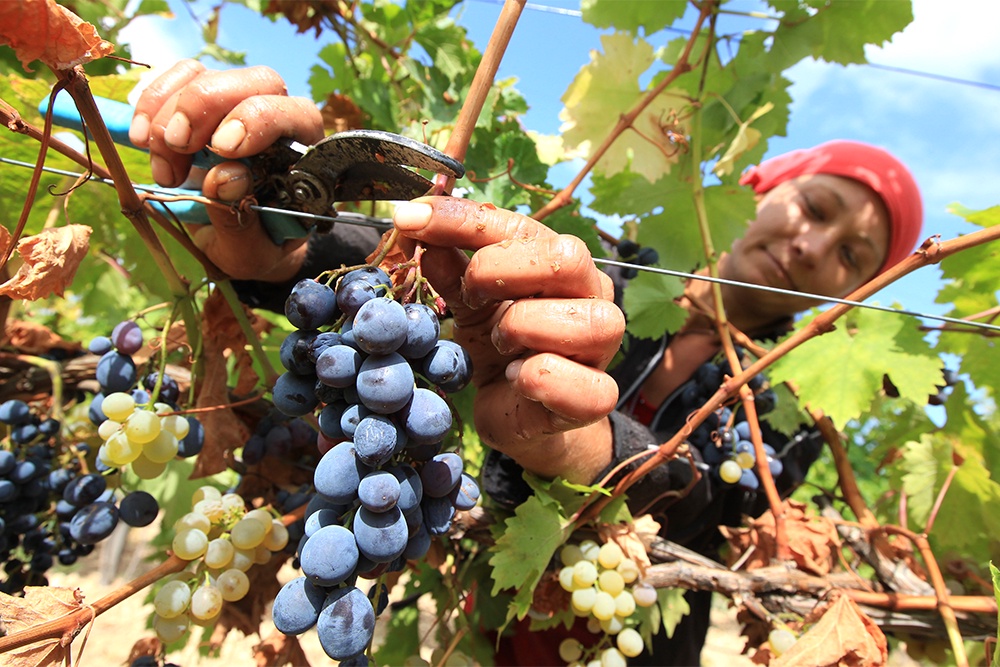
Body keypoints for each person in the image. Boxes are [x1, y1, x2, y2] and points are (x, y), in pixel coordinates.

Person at [130, 61, 923, 665]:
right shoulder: (609, 279)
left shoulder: (797, 403)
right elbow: (408, 295)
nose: (812, 244)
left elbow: (709, 511)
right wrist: (288, 249)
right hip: (494, 629)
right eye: (816, 207)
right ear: (768, 189)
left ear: (854, 292)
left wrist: (591, 449)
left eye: (851, 255)